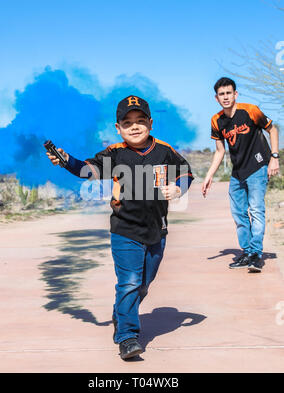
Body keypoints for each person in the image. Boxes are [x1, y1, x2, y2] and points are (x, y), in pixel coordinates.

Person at [46, 96, 194, 359]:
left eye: (140, 121)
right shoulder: (115, 153)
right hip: (125, 230)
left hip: (157, 231)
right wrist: (67, 160)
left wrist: (178, 188)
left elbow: (185, 172)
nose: (134, 127)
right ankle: (127, 335)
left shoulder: (164, 151)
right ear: (118, 128)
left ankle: (121, 312)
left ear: (150, 122)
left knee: (143, 285)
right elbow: (87, 170)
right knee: (129, 282)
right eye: (127, 123)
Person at [202, 77, 280, 273]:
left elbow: (273, 129)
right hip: (237, 172)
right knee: (238, 214)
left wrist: (274, 157)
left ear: (235, 94)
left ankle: (256, 254)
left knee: (256, 210)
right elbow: (220, 151)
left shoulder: (250, 111)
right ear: (216, 98)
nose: (226, 97)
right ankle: (247, 252)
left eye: (229, 93)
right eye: (222, 94)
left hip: (257, 167)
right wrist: (209, 175)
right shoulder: (216, 120)